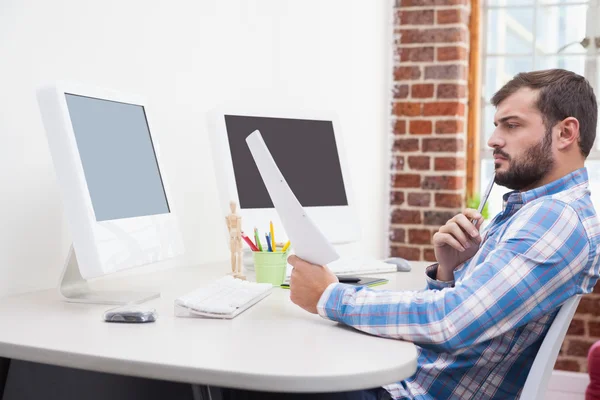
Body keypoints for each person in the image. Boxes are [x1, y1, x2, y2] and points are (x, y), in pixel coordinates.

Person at [222, 69, 600, 400]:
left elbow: (451, 323)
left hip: (407, 393)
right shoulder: (533, 211)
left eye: (511, 125)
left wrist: (328, 296)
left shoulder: (555, 218)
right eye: (497, 124)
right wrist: (449, 274)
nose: (493, 139)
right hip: (412, 381)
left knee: (235, 377)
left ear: (565, 132)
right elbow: (467, 323)